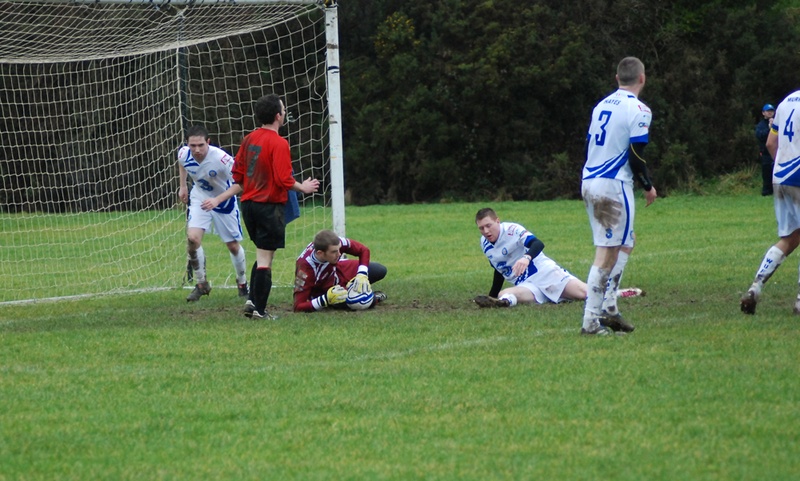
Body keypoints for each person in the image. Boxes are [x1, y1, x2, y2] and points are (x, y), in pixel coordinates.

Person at [207, 94, 320, 319]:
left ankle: (252, 301)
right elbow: (284, 179)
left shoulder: (249, 139)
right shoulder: (279, 142)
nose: (285, 113)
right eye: (284, 110)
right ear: (278, 116)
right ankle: (259, 310)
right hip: (268, 207)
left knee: (262, 254)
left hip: (248, 205)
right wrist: (303, 187)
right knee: (266, 259)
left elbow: (237, 173)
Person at [580, 56, 657, 335]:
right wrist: (647, 185)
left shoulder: (602, 104)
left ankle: (610, 307)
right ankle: (591, 321)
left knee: (626, 241)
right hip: (613, 184)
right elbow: (636, 155)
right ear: (642, 78)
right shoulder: (639, 109)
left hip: (591, 179)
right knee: (606, 252)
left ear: (617, 78)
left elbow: (589, 143)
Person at [740, 89, 800, 315]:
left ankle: (755, 287)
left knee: (790, 237)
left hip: (780, 177)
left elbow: (771, 143)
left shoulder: (785, 102)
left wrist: (782, 168)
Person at [178, 125, 248, 302]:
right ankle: (201, 284)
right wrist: (183, 186)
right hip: (200, 198)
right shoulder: (183, 154)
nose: (197, 149)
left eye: (201, 145)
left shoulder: (222, 159)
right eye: (193, 145)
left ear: (208, 142)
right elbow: (181, 164)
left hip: (224, 201)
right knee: (193, 239)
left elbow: (240, 184)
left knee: (232, 245)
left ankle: (242, 283)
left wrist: (217, 200)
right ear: (187, 144)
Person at [473, 208, 587, 308]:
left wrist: (526, 258)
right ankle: (503, 303)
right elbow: (499, 271)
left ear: (497, 221)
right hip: (526, 285)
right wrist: (491, 296)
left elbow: (537, 243)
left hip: (544, 274)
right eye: (481, 228)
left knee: (584, 293)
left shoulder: (512, 230)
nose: (486, 231)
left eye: (488, 226)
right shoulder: (485, 244)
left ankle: (603, 292)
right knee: (504, 294)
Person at [294, 229, 387, 312]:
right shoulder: (306, 270)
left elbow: (363, 250)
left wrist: (362, 274)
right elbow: (298, 306)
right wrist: (325, 299)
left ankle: (354, 287)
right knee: (356, 301)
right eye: (334, 252)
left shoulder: (335, 244)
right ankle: (374, 298)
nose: (339, 254)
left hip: (338, 270)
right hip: (326, 290)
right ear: (320, 253)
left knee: (379, 270)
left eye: (339, 249)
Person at [755, 103, 776, 196]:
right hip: (766, 154)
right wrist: (769, 128)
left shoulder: (778, 123)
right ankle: (767, 191)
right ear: (763, 113)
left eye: (771, 111)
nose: (770, 113)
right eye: (768, 111)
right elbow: (760, 136)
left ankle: (777, 192)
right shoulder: (761, 125)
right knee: (766, 173)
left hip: (776, 153)